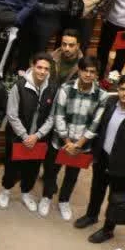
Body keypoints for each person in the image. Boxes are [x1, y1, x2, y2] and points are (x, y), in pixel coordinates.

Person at [76, 76, 125, 243]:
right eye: (122, 89)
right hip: (102, 157)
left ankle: (108, 230)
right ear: (118, 89)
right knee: (96, 190)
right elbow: (98, 128)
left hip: (122, 166)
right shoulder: (110, 104)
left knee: (116, 198)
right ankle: (91, 216)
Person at [44, 58, 108, 221]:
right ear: (79, 71)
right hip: (60, 141)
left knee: (72, 175)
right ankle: (46, 197)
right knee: (51, 171)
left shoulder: (102, 95)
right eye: (85, 70)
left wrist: (78, 144)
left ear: (97, 75)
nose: (88, 74)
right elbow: (59, 115)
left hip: (82, 146)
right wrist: (67, 142)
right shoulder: (65, 88)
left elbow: (95, 124)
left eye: (92, 72)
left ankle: (64, 201)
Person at [0, 52, 57, 213]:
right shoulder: (19, 86)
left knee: (32, 169)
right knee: (11, 167)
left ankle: (26, 193)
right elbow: (12, 114)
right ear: (32, 66)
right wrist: (25, 136)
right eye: (39, 67)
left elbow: (52, 117)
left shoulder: (53, 88)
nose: (42, 71)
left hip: (39, 139)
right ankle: (6, 191)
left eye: (46, 69)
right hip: (17, 136)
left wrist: (37, 136)